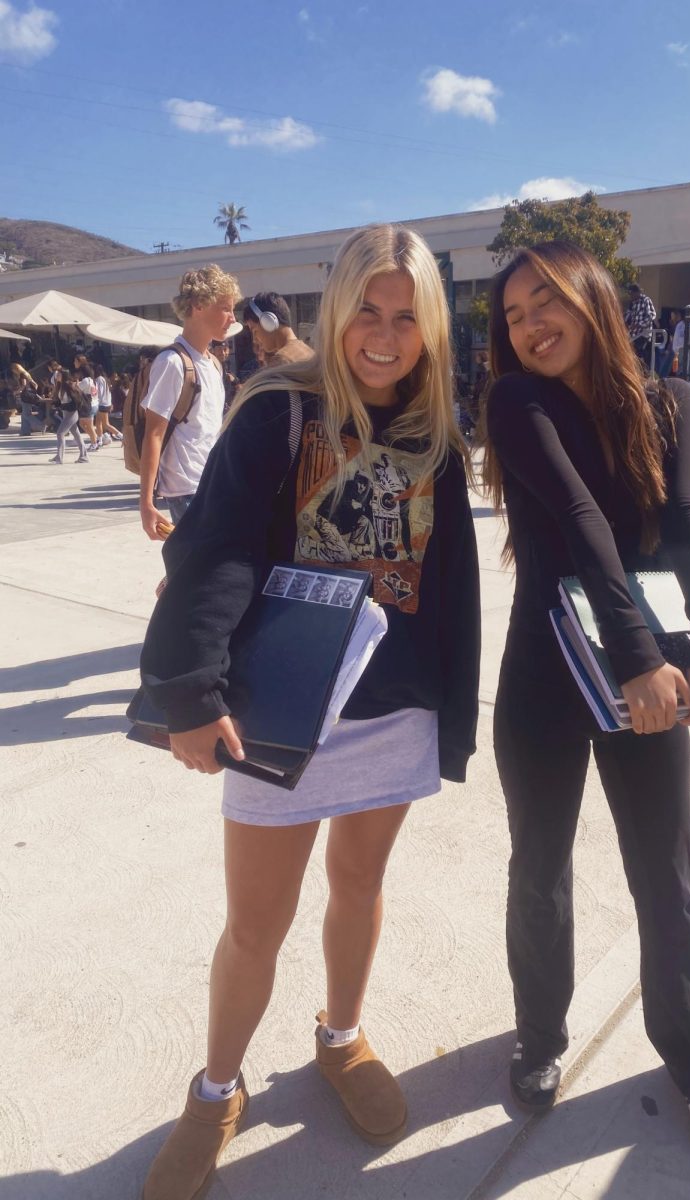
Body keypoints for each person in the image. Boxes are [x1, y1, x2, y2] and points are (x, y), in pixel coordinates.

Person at [137, 224, 480, 1200]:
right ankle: (215, 1088)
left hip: (393, 708)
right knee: (255, 925)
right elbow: (220, 550)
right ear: (336, 313)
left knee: (360, 888)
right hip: (278, 711)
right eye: (367, 312)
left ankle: (339, 1037)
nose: (383, 335)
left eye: (405, 318)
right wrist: (191, 689)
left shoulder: (435, 429)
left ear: (430, 329)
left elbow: (447, 570)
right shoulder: (279, 412)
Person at [483, 240, 690, 1164]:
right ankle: (540, 1035)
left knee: (665, 877)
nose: (528, 326)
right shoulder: (517, 401)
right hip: (549, 670)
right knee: (540, 867)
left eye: (545, 301)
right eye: (513, 315)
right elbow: (575, 518)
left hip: (653, 673)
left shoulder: (670, 402)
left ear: (593, 298)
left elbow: (684, 523)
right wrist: (636, 654)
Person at [139, 265, 241, 535]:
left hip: (211, 485)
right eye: (225, 308)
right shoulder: (172, 362)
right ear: (198, 304)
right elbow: (154, 434)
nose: (232, 318)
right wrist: (146, 503)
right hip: (185, 490)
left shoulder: (214, 364)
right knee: (197, 571)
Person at [241, 290, 314, 368]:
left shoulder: (282, 362)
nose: (254, 339)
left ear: (268, 322)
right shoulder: (309, 352)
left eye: (254, 331)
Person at [49, 369, 89, 464]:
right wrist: (56, 404)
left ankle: (60, 457)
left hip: (72, 413)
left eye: (58, 374)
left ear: (63, 376)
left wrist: (61, 406)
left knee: (60, 433)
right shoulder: (60, 385)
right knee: (76, 434)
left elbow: (75, 402)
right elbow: (61, 400)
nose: (56, 376)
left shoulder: (69, 385)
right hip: (66, 413)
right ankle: (84, 456)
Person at [623, 281, 656, 367]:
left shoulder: (645, 300)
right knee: (631, 353)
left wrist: (640, 324)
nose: (630, 296)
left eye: (631, 293)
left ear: (637, 292)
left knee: (639, 353)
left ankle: (644, 372)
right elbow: (627, 315)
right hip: (633, 334)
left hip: (643, 333)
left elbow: (652, 315)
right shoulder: (632, 303)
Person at [209, 339, 238, 411]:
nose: (223, 353)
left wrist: (234, 380)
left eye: (225, 349)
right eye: (219, 349)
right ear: (212, 350)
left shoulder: (224, 365)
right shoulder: (210, 366)